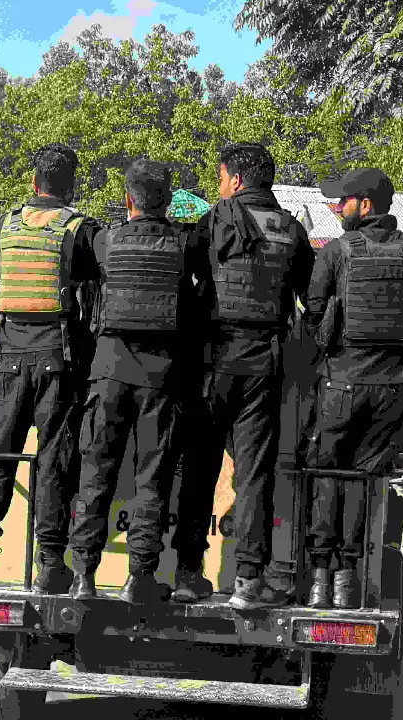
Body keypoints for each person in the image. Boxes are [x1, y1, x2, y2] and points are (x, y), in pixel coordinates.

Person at [170, 143, 316, 610]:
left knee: (200, 467)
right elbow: (311, 302)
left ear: (234, 179)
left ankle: (188, 572)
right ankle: (250, 580)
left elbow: (182, 280)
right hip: (265, 365)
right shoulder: (291, 231)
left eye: (220, 177)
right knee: (254, 474)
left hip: (213, 361)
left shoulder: (213, 222)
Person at [67, 159, 211, 603]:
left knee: (96, 475)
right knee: (153, 479)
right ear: (167, 200)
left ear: (128, 199)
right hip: (161, 378)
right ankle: (139, 578)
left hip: (108, 373)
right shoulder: (186, 245)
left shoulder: (105, 241)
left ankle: (83, 578)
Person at [303, 167, 403, 609]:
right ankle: (349, 582)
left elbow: (313, 316)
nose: (337, 209)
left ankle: (320, 580)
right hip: (392, 391)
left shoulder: (337, 252)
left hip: (342, 385)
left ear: (364, 205)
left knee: (328, 476)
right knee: (364, 481)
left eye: (342, 201)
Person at [0, 144, 102, 593]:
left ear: (34, 183)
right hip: (58, 360)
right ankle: (49, 564)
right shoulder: (81, 230)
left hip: (9, 360)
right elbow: (94, 295)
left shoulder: (4, 226)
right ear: (72, 186)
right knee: (53, 460)